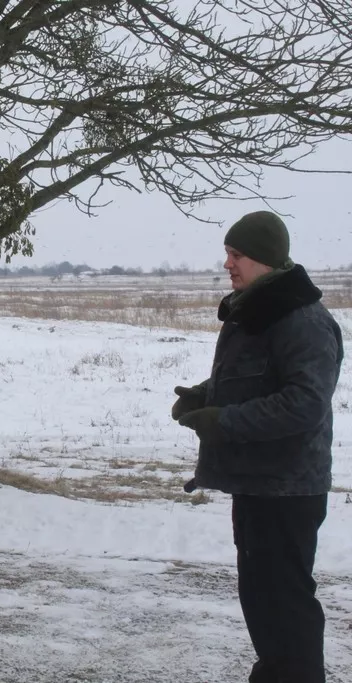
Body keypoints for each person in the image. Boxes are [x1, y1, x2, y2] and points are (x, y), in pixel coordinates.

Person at [173, 210, 343, 683]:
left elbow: (304, 403)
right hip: (259, 484)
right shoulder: (261, 309)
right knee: (263, 601)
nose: (228, 263)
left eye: (237, 255)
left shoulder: (303, 320)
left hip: (288, 489)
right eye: (228, 253)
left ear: (265, 259)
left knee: (284, 604)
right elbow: (256, 380)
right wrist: (205, 397)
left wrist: (223, 421)